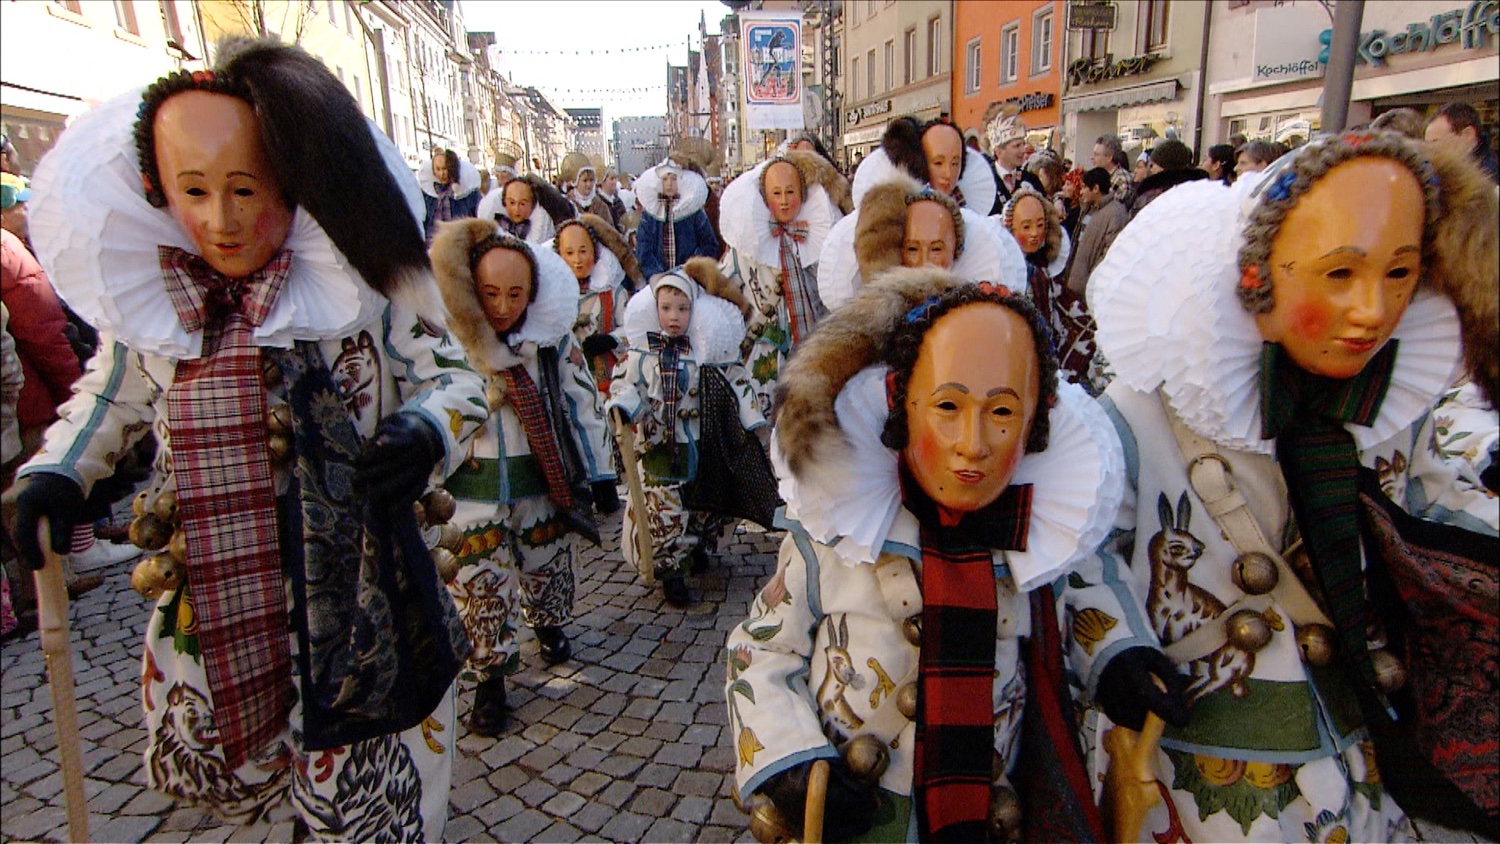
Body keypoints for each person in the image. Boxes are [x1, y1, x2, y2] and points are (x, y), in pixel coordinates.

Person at [6, 40, 489, 839]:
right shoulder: (159, 304)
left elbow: (459, 373)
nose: (222, 220)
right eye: (195, 191)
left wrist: (422, 427)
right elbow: (110, 392)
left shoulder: (363, 285)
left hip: (363, 578)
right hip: (223, 577)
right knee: (247, 750)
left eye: (245, 189)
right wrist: (59, 472)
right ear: (162, 193)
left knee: (377, 785)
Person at [1082, 130, 1499, 841]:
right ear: (1259, 273)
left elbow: (1439, 518)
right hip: (1202, 756)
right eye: (1340, 275)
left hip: (1363, 742)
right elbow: (1089, 553)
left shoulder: (1395, 408)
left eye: (1399, 276)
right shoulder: (1147, 407)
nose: (1372, 310)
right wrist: (1114, 651)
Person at [727, 273, 1144, 842]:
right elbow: (763, 647)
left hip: (992, 812)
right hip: (867, 813)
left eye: (1002, 413)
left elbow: (1087, 601)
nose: (973, 444)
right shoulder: (838, 530)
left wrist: (1121, 656)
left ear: (1034, 424)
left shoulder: (1045, 534)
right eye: (948, 405)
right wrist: (791, 763)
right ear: (904, 405)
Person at [430, 220, 618, 689]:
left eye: (515, 295)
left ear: (532, 294)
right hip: (470, 485)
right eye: (491, 294)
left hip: (540, 472)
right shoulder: (451, 344)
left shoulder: (549, 343)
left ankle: (549, 622)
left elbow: (581, 402)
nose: (502, 307)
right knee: (477, 580)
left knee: (546, 558)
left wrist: (599, 471)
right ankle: (489, 672)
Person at [609, 260, 769, 607]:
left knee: (703, 501)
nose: (674, 316)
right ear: (655, 310)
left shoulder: (708, 354)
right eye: (666, 308)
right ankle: (671, 571)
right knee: (664, 509)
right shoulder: (644, 355)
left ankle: (696, 546)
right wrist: (624, 407)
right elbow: (629, 385)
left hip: (703, 441)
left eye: (682, 308)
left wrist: (750, 417)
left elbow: (736, 381)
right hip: (659, 446)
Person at [718, 152, 841, 416]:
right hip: (765, 351)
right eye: (776, 193)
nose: (784, 202)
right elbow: (722, 285)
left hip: (813, 345)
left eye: (790, 192)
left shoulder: (822, 239)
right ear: (765, 197)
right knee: (764, 415)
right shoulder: (746, 248)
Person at [817, 172, 1026, 312]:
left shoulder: (972, 309)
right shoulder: (881, 315)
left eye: (935, 249)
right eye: (912, 249)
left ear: (955, 250)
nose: (924, 261)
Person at [1001, 185, 1102, 396]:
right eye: (1026, 227)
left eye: (1040, 225)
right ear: (1010, 228)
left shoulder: (1043, 276)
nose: (1035, 233)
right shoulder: (1004, 273)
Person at [553, 213, 643, 393]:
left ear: (595, 253)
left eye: (583, 251)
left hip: (611, 383)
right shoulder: (554, 298)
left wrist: (611, 339)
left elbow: (633, 329)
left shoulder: (613, 293)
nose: (577, 260)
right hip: (570, 386)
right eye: (569, 253)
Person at [851, 115, 998, 216]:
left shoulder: (966, 208)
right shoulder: (905, 210)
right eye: (938, 163)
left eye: (955, 163)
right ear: (921, 163)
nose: (948, 173)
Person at [634, 157, 719, 278]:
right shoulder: (650, 213)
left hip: (690, 278)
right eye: (665, 179)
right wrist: (657, 274)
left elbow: (709, 243)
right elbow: (643, 247)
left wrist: (691, 268)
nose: (669, 183)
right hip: (658, 280)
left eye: (674, 179)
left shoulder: (692, 210)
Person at [1066, 166, 1129, 297]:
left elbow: (1110, 253)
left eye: (1084, 187)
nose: (1081, 192)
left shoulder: (1115, 213)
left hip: (1091, 286)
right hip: (1076, 281)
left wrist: (1093, 279)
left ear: (1095, 188)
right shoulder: (1088, 208)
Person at [1425, 101, 1499, 183]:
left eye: (1436, 143)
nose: (1430, 152)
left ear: (1468, 135)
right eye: (1427, 145)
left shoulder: (1488, 180)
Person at [1131, 139, 1209, 216]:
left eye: (1153, 165)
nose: (1150, 169)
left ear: (1164, 166)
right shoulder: (1200, 193)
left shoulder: (1151, 196)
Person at [419, 148, 481, 244]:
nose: (442, 174)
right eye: (438, 169)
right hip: (433, 244)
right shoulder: (428, 194)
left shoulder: (469, 192)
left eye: (445, 169)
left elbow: (478, 217)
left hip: (461, 243)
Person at [479, 174, 557, 245]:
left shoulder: (541, 228)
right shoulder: (493, 217)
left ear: (532, 204)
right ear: (504, 202)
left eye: (522, 204)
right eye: (512, 203)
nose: (516, 209)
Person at [563, 159, 617, 230]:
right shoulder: (567, 204)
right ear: (576, 182)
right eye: (585, 181)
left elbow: (610, 231)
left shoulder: (601, 205)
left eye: (591, 180)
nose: (589, 184)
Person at [1092, 133, 1136, 208]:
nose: (1092, 158)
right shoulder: (1100, 176)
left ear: (1109, 157)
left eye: (1096, 154)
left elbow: (1119, 210)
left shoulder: (1122, 180)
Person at [598, 167, 628, 231]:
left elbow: (625, 221)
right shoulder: (598, 202)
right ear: (603, 182)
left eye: (615, 178)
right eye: (611, 179)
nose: (614, 182)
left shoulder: (618, 201)